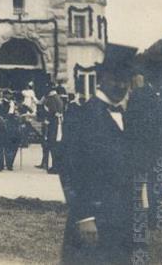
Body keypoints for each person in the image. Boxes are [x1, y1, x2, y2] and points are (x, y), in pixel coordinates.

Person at [59, 45, 140, 264]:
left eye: (125, 79)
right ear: (101, 77)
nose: (121, 85)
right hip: (92, 220)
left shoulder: (129, 118)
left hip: (122, 220)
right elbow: (69, 171)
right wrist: (84, 216)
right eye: (115, 78)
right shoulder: (80, 115)